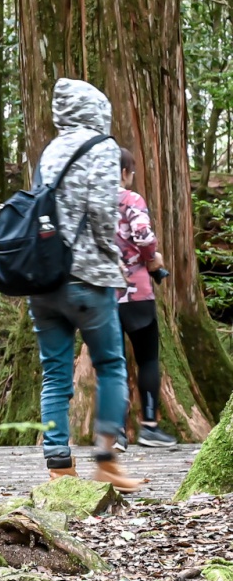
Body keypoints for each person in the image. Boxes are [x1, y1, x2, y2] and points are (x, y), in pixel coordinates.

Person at [14, 78, 146, 490]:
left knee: (54, 374)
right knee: (110, 365)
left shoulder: (50, 149)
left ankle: (57, 464)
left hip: (42, 279)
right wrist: (115, 260)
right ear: (97, 112)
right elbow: (104, 212)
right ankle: (106, 456)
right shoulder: (103, 148)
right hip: (88, 276)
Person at [116, 148, 176, 449]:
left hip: (102, 294)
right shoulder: (130, 199)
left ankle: (114, 430)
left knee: (111, 361)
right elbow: (143, 235)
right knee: (148, 358)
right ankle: (149, 426)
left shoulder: (89, 202)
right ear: (126, 172)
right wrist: (153, 260)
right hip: (136, 291)